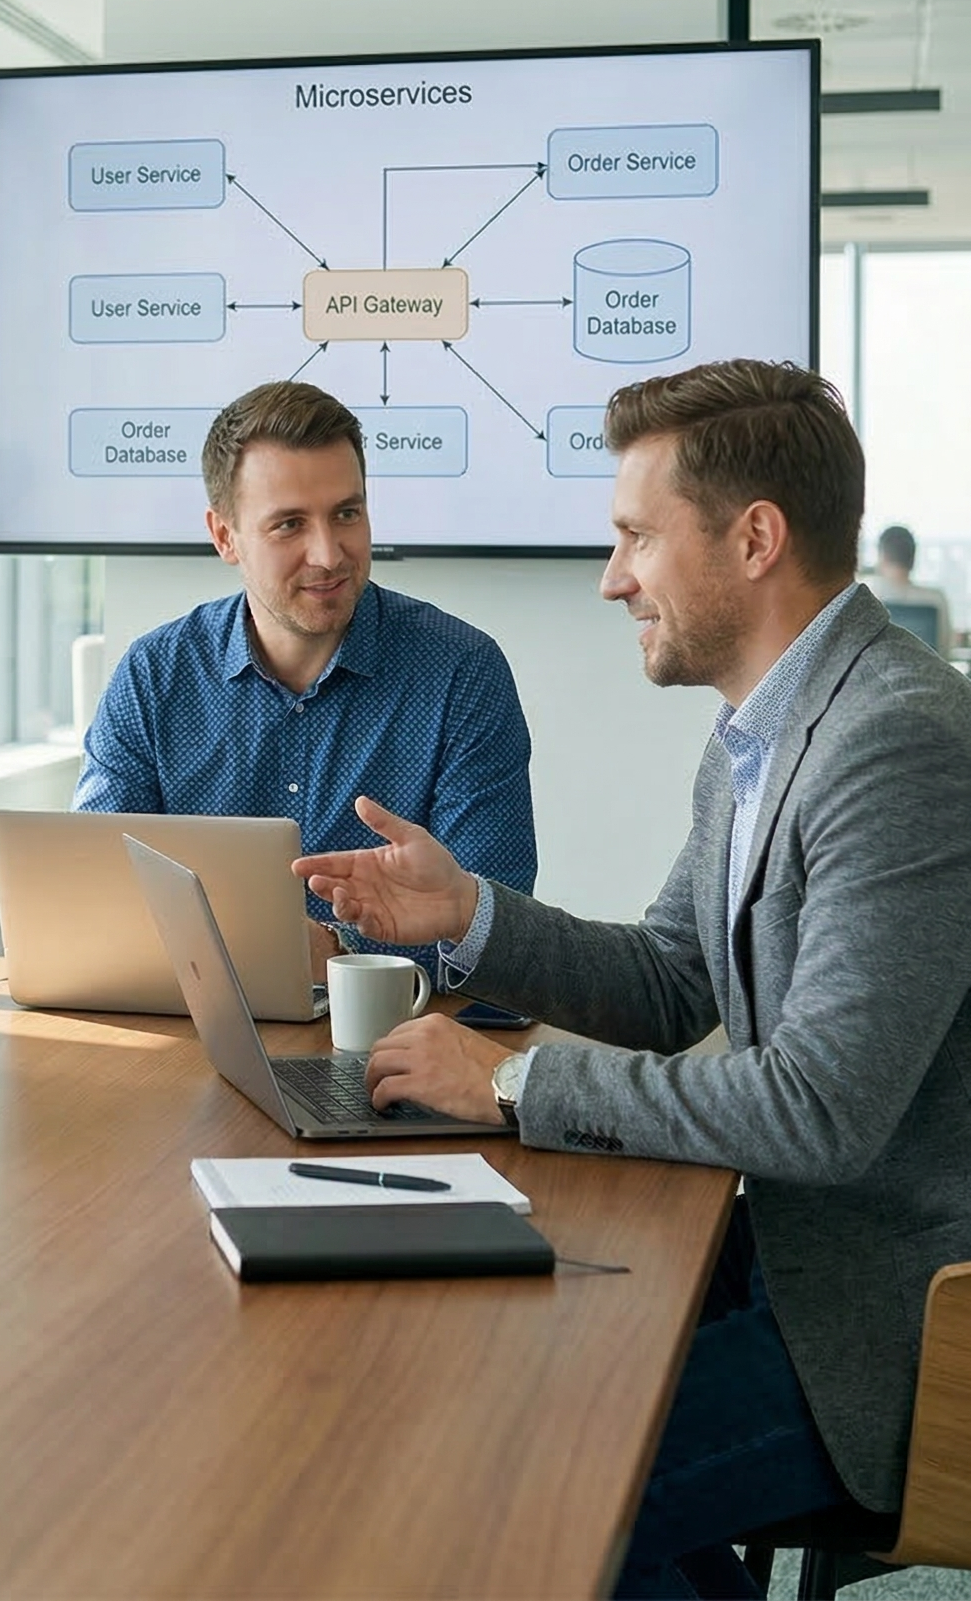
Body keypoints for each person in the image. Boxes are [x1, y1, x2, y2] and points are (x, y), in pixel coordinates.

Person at [292, 360, 971, 1599]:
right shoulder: (761, 731)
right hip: (785, 1262)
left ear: (753, 538)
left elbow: (819, 1105)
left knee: (521, 1480)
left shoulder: (896, 740)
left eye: (633, 538)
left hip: (885, 1333)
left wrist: (511, 1083)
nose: (612, 578)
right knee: (500, 1387)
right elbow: (669, 979)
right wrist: (469, 914)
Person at [75, 378, 536, 981]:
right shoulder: (154, 676)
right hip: (193, 1031)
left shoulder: (460, 673)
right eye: (289, 525)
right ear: (225, 537)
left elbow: (491, 936)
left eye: (347, 513)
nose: (328, 554)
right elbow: (91, 900)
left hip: (400, 1043)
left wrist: (332, 950)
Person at [862, 522, 955, 654]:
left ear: (882, 556)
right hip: (928, 673)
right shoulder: (936, 599)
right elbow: (945, 650)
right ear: (912, 558)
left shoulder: (869, 593)